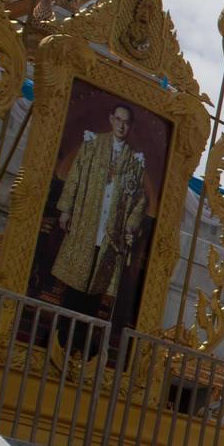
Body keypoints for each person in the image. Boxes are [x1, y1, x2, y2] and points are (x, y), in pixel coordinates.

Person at [50, 102, 149, 312]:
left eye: (126, 123)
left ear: (130, 127)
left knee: (97, 285)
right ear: (111, 119)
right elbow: (75, 176)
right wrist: (66, 209)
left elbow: (139, 199)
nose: (121, 126)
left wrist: (130, 227)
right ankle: (61, 332)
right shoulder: (93, 144)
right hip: (86, 220)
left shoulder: (134, 160)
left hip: (111, 231)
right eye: (119, 120)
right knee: (75, 282)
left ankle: (81, 339)